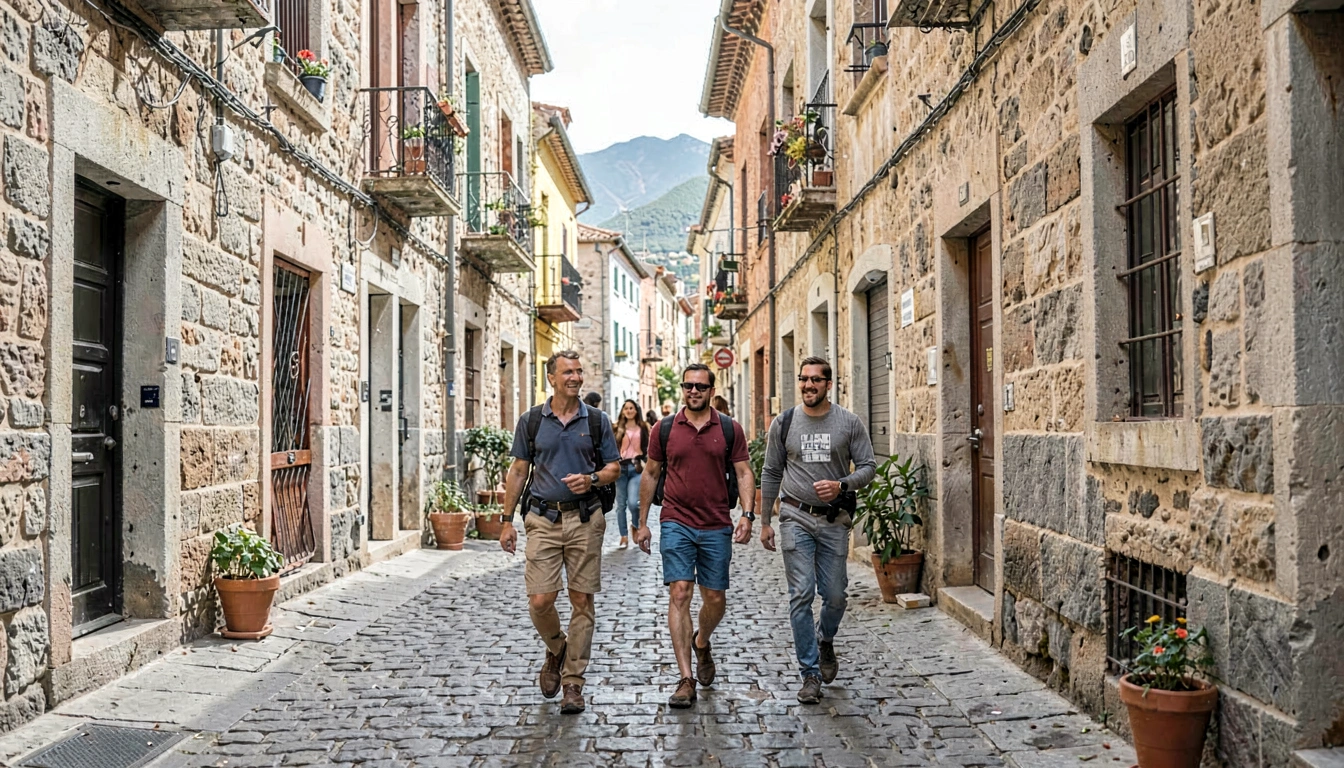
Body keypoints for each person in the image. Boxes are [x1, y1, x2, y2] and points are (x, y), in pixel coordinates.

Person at [499, 351, 621, 715]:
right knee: (540, 600)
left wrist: (592, 479)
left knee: (582, 601)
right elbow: (519, 470)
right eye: (568, 372)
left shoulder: (596, 421)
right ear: (550, 377)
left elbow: (614, 468)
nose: (576, 377)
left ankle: (573, 683)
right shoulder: (533, 421)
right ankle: (557, 648)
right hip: (542, 519)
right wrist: (506, 520)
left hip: (585, 519)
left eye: (579, 371)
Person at [633, 364, 755, 709]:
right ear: (682, 389)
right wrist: (643, 522)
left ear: (711, 391)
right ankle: (685, 677)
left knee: (715, 599)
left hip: (716, 523)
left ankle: (702, 640)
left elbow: (744, 472)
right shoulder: (665, 428)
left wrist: (747, 514)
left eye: (701, 386)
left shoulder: (729, 429)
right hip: (676, 520)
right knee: (680, 592)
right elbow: (651, 473)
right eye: (688, 385)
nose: (693, 391)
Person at [759, 356, 877, 704]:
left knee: (836, 593)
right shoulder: (784, 423)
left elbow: (869, 467)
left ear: (829, 384)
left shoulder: (848, 422)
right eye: (803, 379)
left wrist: (842, 485)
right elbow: (770, 473)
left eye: (816, 380)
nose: (808, 385)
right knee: (801, 594)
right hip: (795, 516)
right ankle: (809, 674)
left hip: (833, 521)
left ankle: (826, 640)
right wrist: (765, 520)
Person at [613, 399, 648, 549]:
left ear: (636, 410)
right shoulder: (617, 428)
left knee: (633, 503)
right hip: (621, 468)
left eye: (631, 408)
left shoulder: (644, 427)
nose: (628, 411)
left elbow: (650, 447)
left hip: (636, 468)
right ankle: (624, 536)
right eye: (626, 408)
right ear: (622, 411)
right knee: (620, 504)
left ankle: (635, 526)